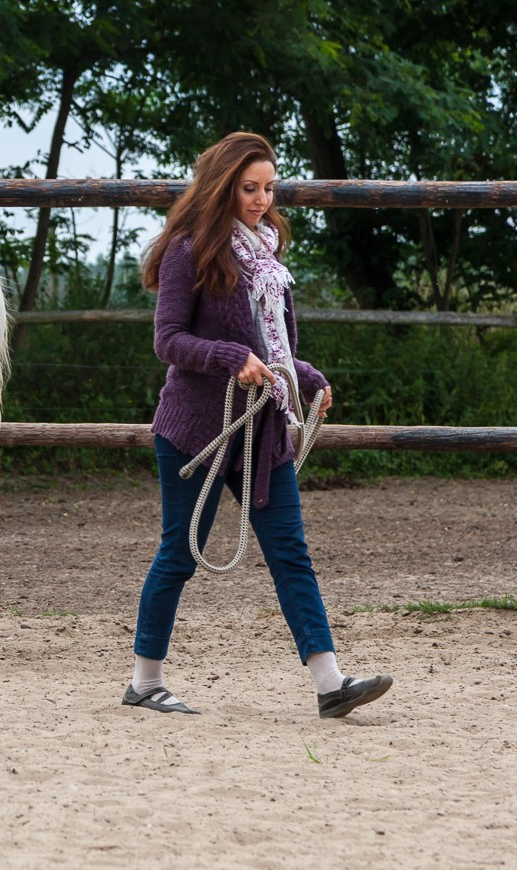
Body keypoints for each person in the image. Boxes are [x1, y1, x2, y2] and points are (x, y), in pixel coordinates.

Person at [123, 131, 392, 718]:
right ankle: (144, 681)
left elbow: (270, 350)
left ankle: (330, 684)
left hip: (263, 428)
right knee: (180, 553)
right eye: (250, 188)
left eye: (269, 188)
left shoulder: (267, 257)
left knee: (290, 551)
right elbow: (168, 340)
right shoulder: (187, 251)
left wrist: (309, 377)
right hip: (197, 428)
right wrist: (228, 359)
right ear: (223, 186)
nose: (261, 200)